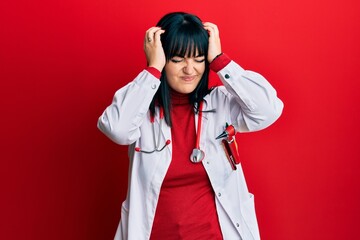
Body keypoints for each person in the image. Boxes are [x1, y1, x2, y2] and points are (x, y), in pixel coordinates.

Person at [98, 12, 283, 240]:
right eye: (177, 60)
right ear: (163, 57)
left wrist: (220, 61)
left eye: (198, 59)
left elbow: (268, 109)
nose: (190, 69)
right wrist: (153, 69)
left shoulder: (220, 103)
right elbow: (117, 129)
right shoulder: (142, 110)